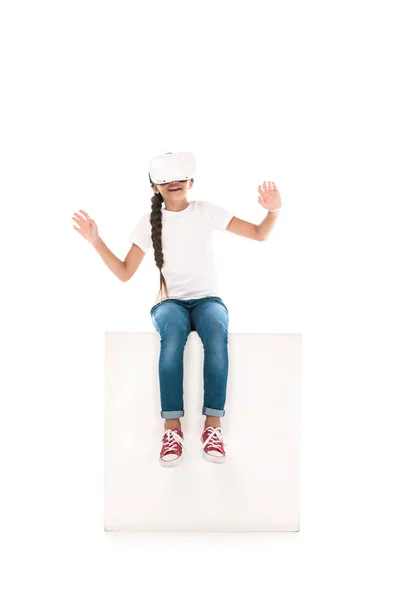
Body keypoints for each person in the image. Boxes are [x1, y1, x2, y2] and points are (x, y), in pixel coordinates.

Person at [72, 151, 282, 468]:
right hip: (169, 304)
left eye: (180, 177)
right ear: (155, 188)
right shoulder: (148, 223)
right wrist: (96, 241)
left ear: (191, 182)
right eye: (166, 179)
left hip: (207, 300)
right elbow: (125, 271)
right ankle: (172, 429)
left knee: (215, 332)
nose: (174, 183)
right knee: (172, 340)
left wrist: (273, 211)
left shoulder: (206, 211)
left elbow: (258, 233)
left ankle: (213, 427)